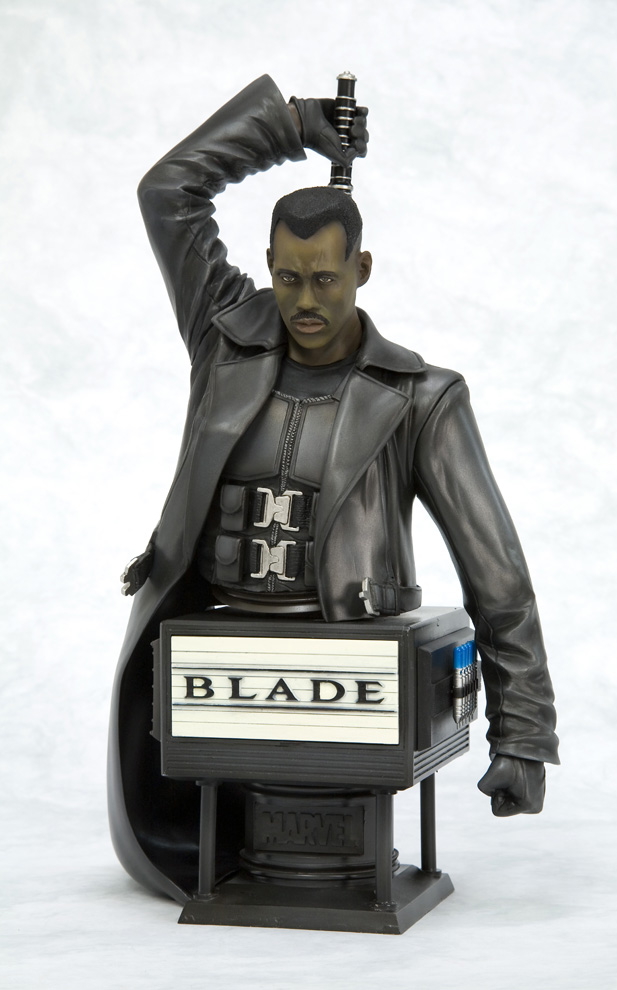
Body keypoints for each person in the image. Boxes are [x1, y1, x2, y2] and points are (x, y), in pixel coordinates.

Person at [109, 75, 559, 904]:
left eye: (325, 279)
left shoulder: (421, 398)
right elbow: (167, 191)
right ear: (268, 269)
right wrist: (287, 127)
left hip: (352, 655)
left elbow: (497, 573)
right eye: (287, 279)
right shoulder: (224, 338)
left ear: (362, 268)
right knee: (196, 808)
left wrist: (523, 735)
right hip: (218, 638)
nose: (304, 301)